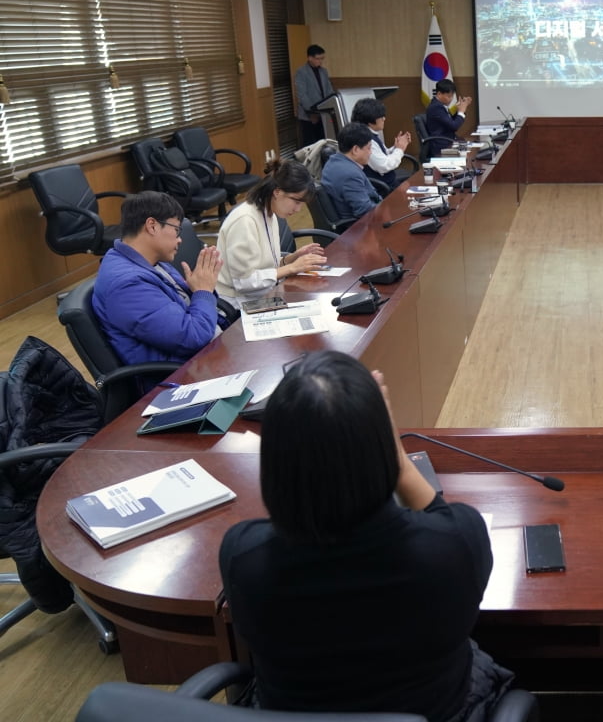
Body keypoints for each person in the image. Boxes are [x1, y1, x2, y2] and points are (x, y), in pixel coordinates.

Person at [219, 352, 514, 719]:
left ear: (276, 458)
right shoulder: (452, 546)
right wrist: (400, 459)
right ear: (381, 451)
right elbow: (442, 518)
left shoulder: (242, 556)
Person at [93, 191, 226, 369]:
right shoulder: (127, 285)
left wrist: (199, 289)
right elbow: (192, 336)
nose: (180, 239)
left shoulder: (147, 261)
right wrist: (203, 292)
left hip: (205, 355)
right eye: (176, 230)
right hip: (183, 374)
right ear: (152, 226)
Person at [215, 159, 327, 303]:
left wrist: (292, 258)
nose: (298, 209)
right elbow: (245, 282)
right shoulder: (245, 220)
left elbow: (265, 267)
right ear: (277, 192)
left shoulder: (270, 214)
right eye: (297, 202)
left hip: (264, 294)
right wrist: (292, 268)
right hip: (238, 303)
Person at [321, 122, 382, 223]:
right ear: (355, 149)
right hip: (360, 227)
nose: (370, 152)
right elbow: (365, 211)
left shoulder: (333, 160)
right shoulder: (350, 175)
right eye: (369, 148)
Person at [351, 97, 414, 191]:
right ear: (370, 120)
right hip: (383, 189)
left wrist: (396, 147)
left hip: (387, 183)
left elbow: (381, 155)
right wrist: (399, 149)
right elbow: (384, 166)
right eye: (381, 117)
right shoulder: (366, 139)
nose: (384, 119)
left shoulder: (367, 133)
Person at [294, 44, 334, 147]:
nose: (320, 61)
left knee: (324, 143)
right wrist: (312, 112)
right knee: (310, 144)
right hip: (309, 116)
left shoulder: (323, 71)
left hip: (323, 113)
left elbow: (329, 90)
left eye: (322, 58)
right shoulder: (301, 72)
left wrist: (330, 107)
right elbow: (302, 95)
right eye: (318, 58)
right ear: (310, 58)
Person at [425, 78, 473, 143]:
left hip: (449, 140)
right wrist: (461, 111)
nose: (451, 99)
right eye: (448, 96)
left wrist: (459, 110)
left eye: (452, 96)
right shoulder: (436, 107)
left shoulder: (440, 105)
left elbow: (450, 122)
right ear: (439, 94)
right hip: (442, 144)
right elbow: (454, 126)